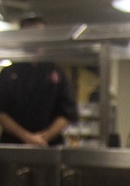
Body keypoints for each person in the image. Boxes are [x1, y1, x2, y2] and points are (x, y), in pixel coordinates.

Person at [0, 15, 78, 146]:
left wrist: (43, 139)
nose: (34, 39)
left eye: (38, 34)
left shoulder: (58, 72)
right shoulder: (8, 73)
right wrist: (27, 138)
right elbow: (1, 112)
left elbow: (67, 113)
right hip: (14, 146)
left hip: (49, 147)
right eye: (29, 34)